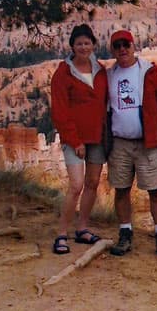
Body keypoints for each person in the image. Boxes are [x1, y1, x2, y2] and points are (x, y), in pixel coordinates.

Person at [106, 29, 157, 259]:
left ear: (133, 45)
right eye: (117, 46)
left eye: (125, 44)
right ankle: (125, 233)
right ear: (113, 50)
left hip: (148, 143)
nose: (122, 49)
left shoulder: (150, 72)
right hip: (119, 143)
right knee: (121, 190)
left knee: (155, 190)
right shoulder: (108, 75)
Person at [50, 24, 108, 254]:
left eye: (87, 43)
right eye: (79, 43)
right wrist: (75, 141)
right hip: (75, 138)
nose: (84, 47)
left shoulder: (100, 70)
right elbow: (60, 112)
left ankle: (82, 227)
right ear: (72, 46)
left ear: (93, 44)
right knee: (76, 185)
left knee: (92, 184)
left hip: (98, 136)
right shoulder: (63, 73)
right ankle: (61, 233)